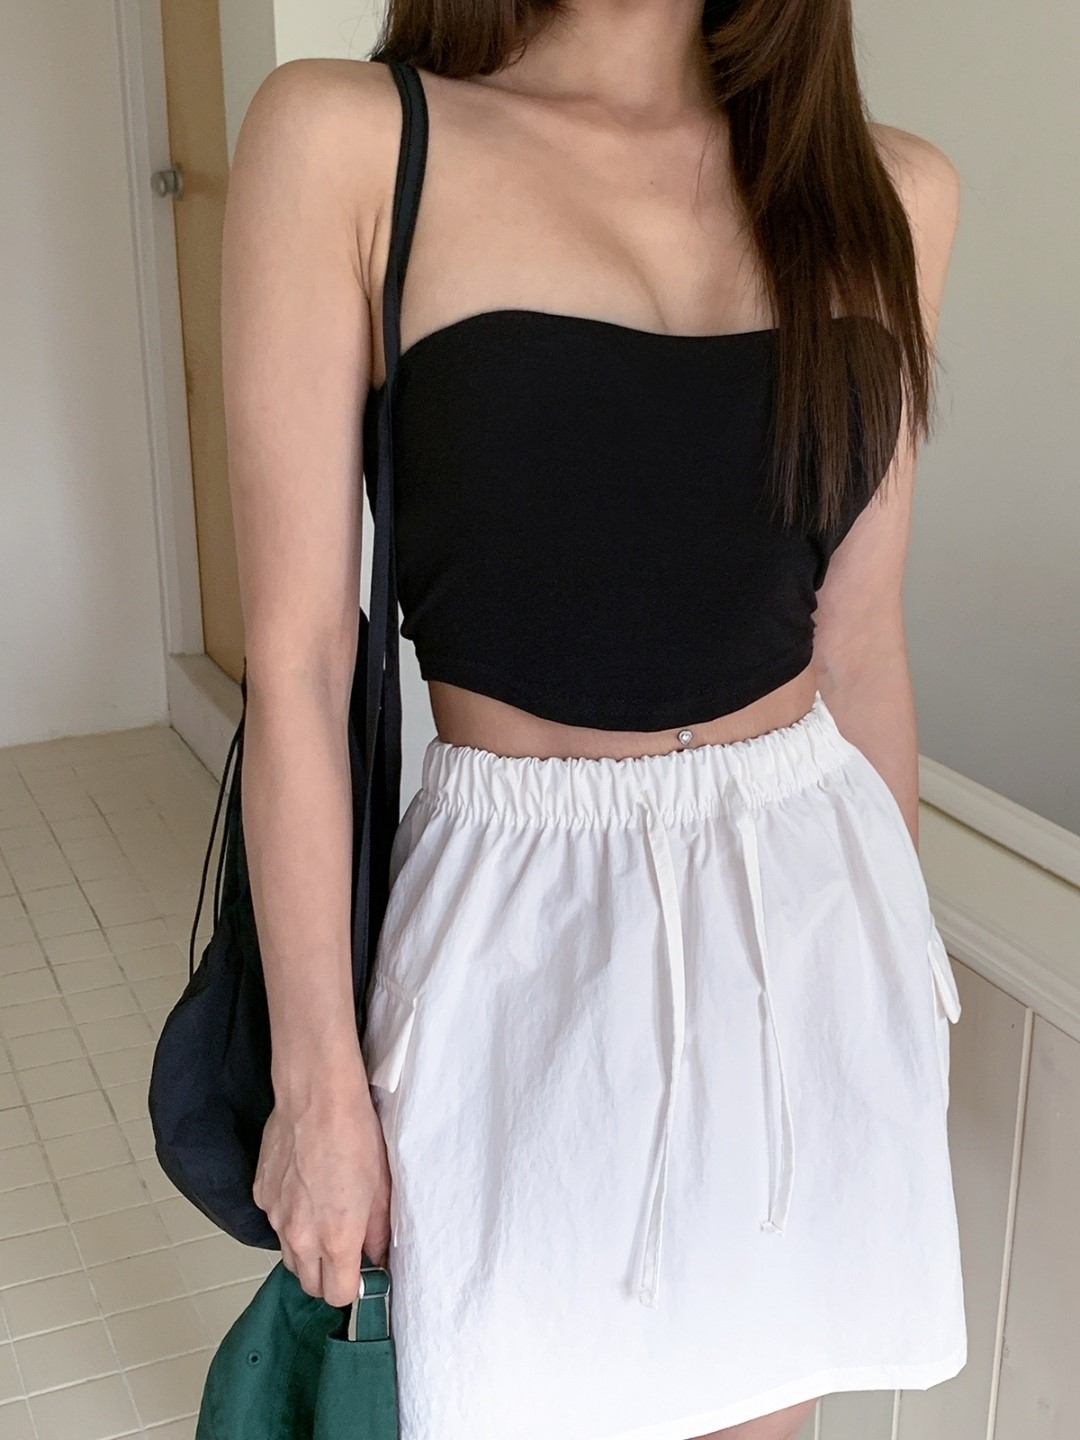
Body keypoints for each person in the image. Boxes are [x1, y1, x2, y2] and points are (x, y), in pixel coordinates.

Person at [218, 0, 964, 1434]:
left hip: (807, 927)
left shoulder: (890, 194)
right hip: (516, 939)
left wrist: (893, 1005)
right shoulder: (352, 142)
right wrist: (316, 1085)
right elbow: (301, 661)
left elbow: (862, 644)